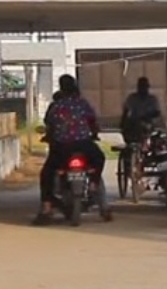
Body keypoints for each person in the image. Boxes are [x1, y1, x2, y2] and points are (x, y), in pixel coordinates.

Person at [33, 75, 112, 225]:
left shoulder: (56, 106)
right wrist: (94, 133)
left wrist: (50, 136)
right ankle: (94, 183)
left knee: (47, 174)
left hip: (61, 148)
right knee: (99, 158)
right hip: (84, 145)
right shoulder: (82, 104)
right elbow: (92, 121)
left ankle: (46, 208)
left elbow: (50, 124)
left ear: (61, 88)